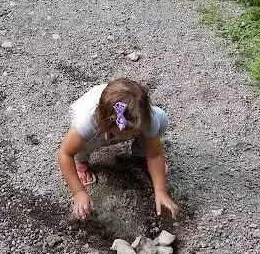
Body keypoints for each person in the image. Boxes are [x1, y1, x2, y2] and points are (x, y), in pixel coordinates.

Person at [56, 78, 179, 220]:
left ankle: (140, 154)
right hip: (96, 124)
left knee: (161, 120)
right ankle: (81, 161)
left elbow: (155, 155)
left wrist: (161, 191)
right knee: (83, 142)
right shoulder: (88, 122)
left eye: (134, 133)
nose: (128, 137)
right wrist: (78, 192)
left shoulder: (146, 117)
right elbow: (65, 153)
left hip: (117, 121)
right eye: (125, 134)